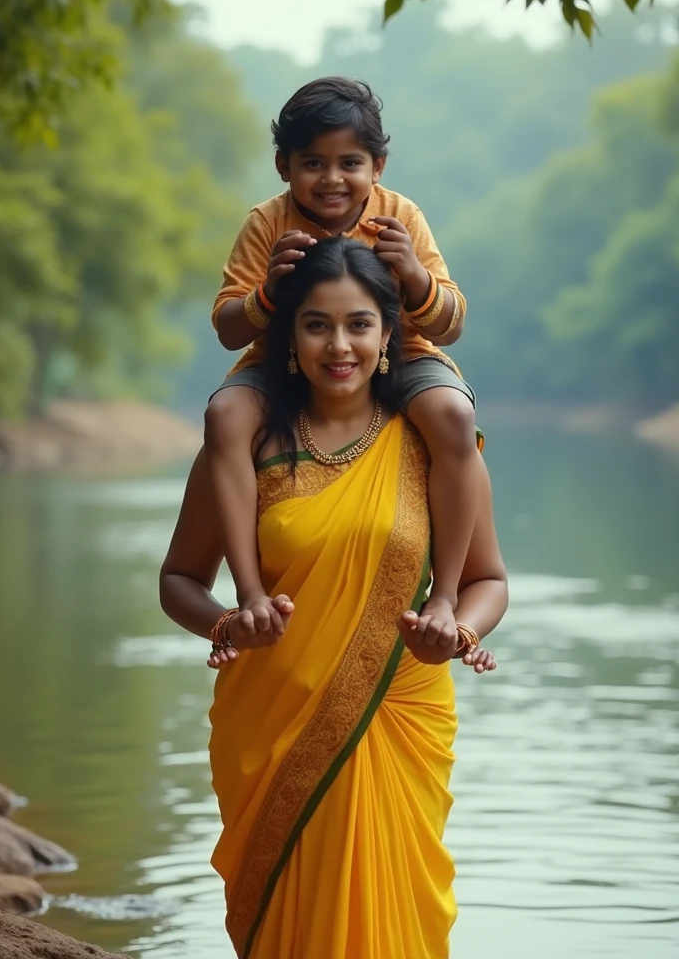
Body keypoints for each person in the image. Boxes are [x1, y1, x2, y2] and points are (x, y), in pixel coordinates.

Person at [160, 238, 508, 958]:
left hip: (397, 714)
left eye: (358, 324)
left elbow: (487, 581)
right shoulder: (248, 448)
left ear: (390, 335)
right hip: (273, 721)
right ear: (288, 337)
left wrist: (456, 626)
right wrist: (230, 620)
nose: (339, 345)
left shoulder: (435, 446)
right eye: (317, 324)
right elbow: (178, 582)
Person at [205, 77, 480, 661]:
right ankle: (251, 593)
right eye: (312, 163)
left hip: (401, 356)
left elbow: (450, 322)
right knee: (225, 413)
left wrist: (413, 275)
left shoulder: (400, 215)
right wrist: (269, 293)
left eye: (349, 162)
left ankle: (447, 598)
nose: (332, 179)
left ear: (378, 165)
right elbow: (229, 326)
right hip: (279, 362)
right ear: (283, 166)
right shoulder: (266, 223)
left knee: (454, 414)